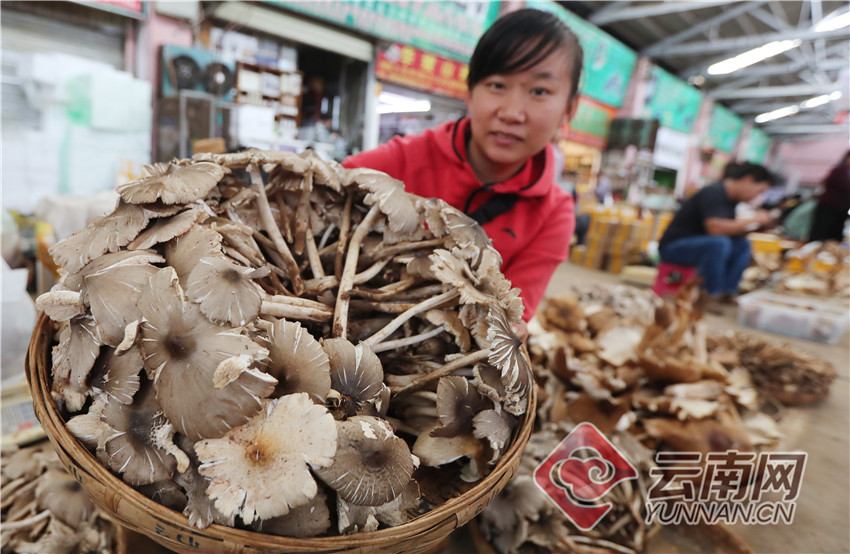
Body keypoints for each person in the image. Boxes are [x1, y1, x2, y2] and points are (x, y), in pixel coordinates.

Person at [343, 9, 582, 331]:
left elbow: (507, 325)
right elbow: (324, 183)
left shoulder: (554, 214)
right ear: (470, 93)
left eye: (539, 91)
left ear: (569, 108)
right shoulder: (403, 159)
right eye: (497, 85)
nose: (512, 112)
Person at [658, 162, 777, 308]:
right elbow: (715, 229)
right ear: (748, 180)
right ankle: (710, 293)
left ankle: (727, 292)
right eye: (760, 191)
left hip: (698, 245)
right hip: (673, 248)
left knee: (742, 245)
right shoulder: (714, 193)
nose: (758, 196)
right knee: (719, 243)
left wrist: (759, 227)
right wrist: (754, 219)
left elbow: (729, 231)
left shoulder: (731, 200)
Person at [809, 150, 850, 243]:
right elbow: (845, 186)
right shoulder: (839, 170)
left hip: (839, 210)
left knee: (833, 237)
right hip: (829, 208)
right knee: (820, 235)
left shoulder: (845, 171)